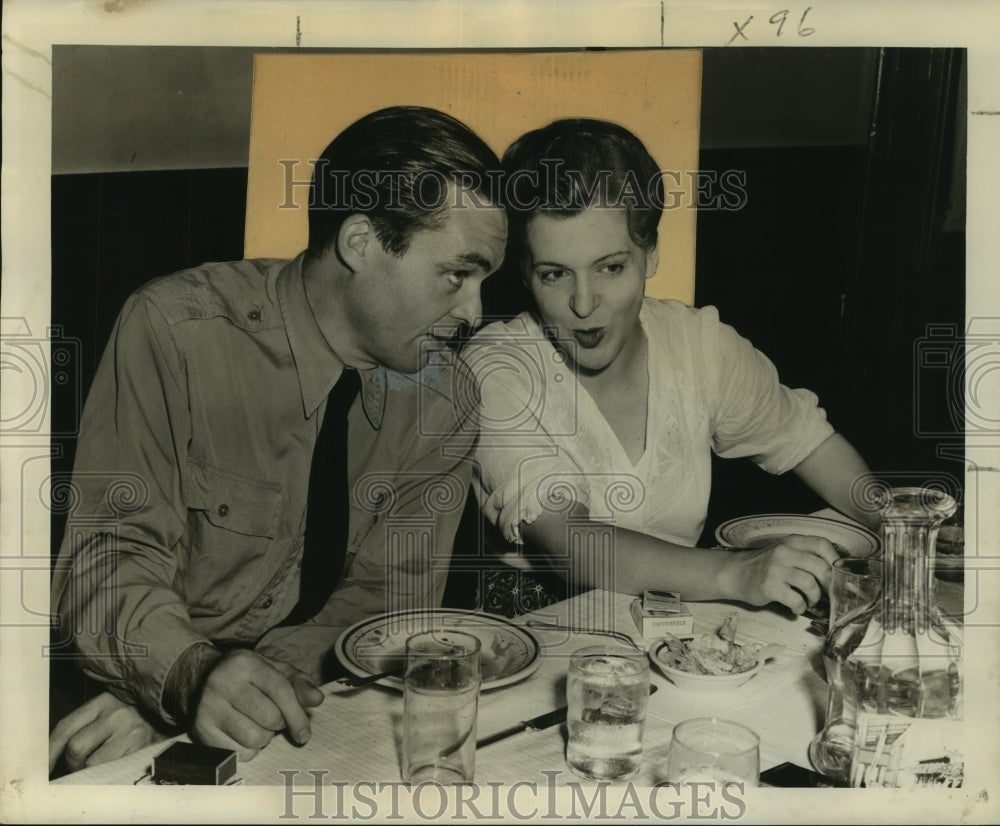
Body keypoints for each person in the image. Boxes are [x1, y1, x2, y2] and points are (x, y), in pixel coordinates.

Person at [48, 106, 506, 774]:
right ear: (361, 242)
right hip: (135, 676)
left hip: (300, 707)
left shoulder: (449, 399)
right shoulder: (176, 332)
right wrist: (185, 678)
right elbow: (106, 558)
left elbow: (387, 602)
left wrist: (236, 692)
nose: (474, 313)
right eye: (458, 275)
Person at [463, 117, 875, 617]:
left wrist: (902, 529)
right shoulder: (494, 368)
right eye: (555, 274)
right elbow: (569, 541)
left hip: (680, 626)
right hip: (537, 637)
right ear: (525, 275)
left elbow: (809, 442)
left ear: (651, 253)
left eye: (611, 267)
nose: (584, 303)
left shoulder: (699, 346)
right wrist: (737, 572)